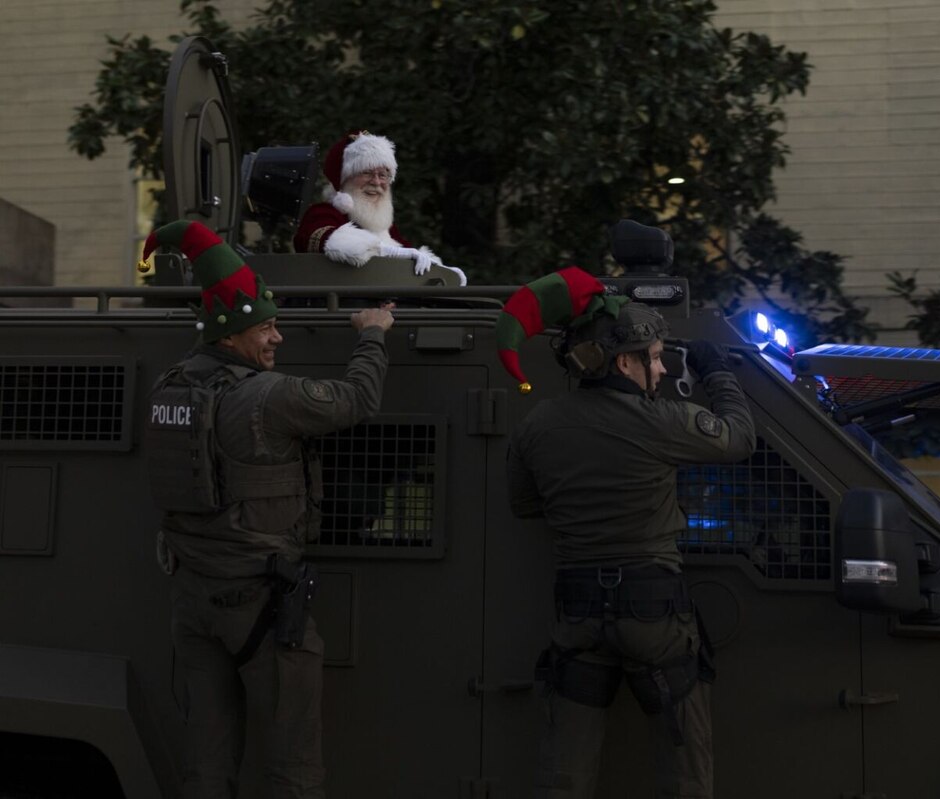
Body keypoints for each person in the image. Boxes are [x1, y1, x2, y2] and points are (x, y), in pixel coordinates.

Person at [141, 219, 394, 798]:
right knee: (293, 767)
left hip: (193, 602)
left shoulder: (169, 387)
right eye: (268, 327)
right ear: (232, 334)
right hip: (261, 603)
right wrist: (373, 334)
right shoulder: (267, 396)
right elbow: (357, 400)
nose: (278, 338)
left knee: (206, 763)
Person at [500, 267, 757, 798]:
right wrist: (719, 375)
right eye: (655, 357)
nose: (661, 370)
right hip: (655, 617)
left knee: (564, 773)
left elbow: (526, 506)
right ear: (623, 361)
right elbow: (738, 440)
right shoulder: (660, 421)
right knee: (685, 767)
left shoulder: (538, 425)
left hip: (578, 618)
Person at [293, 130, 466, 285]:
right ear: (344, 180)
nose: (376, 182)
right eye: (366, 173)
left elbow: (410, 255)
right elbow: (326, 241)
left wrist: (440, 270)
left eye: (383, 175)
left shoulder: (384, 227)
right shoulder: (323, 212)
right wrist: (381, 250)